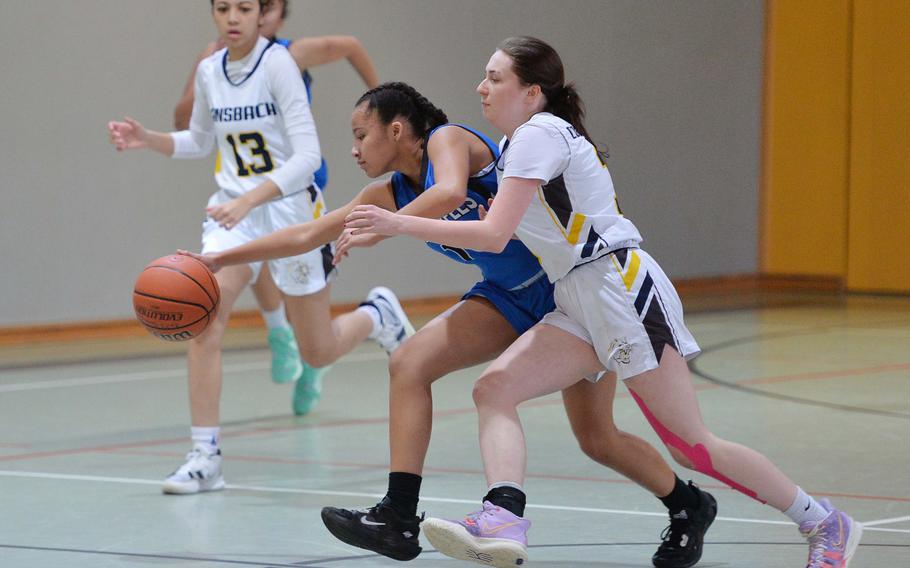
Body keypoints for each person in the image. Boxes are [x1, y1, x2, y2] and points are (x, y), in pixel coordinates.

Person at [342, 37, 863, 568]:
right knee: (495, 388)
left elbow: (495, 234)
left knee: (690, 446)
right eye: (484, 75)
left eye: (495, 78)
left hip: (619, 289)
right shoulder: (521, 145)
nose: (482, 87)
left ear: (532, 92)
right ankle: (503, 515)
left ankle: (822, 521)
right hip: (576, 297)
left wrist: (394, 224)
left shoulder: (538, 135)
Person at [181, 81, 717, 568]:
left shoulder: (448, 140)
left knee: (597, 439)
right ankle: (398, 516)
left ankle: (689, 505)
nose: (353, 149)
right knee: (408, 362)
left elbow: (453, 194)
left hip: (568, 297)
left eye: (360, 135)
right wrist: (219, 260)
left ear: (397, 129)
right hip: (505, 297)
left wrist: (393, 225)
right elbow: (306, 234)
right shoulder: (389, 193)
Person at [107, 0, 411, 496]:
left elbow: (308, 156)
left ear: (262, 13)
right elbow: (200, 142)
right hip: (232, 213)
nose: (232, 17)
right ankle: (205, 457)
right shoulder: (209, 70)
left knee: (317, 351)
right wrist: (150, 139)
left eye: (244, 8)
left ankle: (378, 315)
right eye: (222, 7)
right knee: (206, 319)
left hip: (290, 212)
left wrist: (253, 198)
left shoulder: (279, 65)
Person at [174, 0, 380, 409]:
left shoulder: (293, 54)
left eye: (254, 9)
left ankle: (310, 354)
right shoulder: (216, 64)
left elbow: (352, 45)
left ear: (273, 14)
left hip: (293, 190)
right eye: (226, 7)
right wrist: (200, 76)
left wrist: (380, 108)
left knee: (294, 298)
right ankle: (279, 332)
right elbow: (185, 124)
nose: (240, 17)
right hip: (245, 187)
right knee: (245, 262)